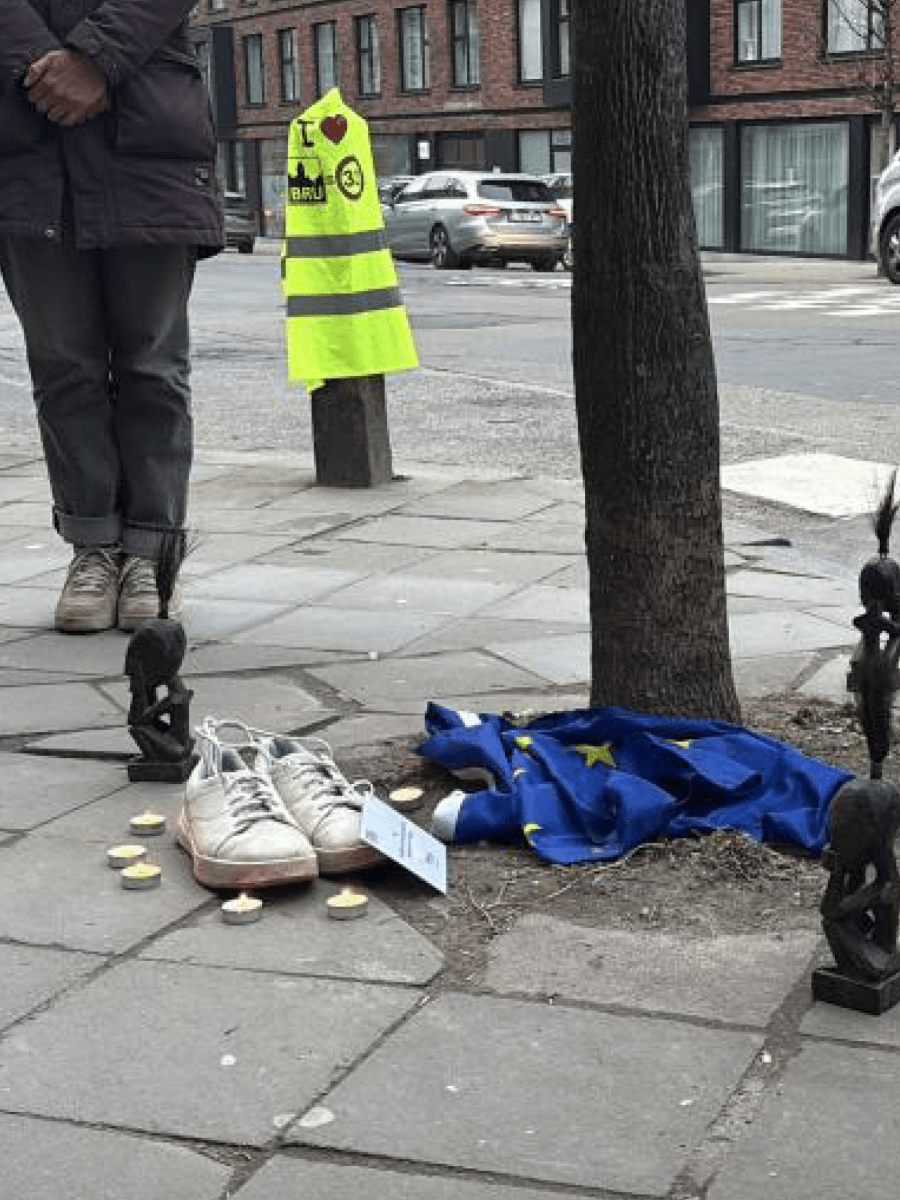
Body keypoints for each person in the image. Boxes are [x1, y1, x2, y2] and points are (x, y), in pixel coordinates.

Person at [0, 2, 223, 633]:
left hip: (144, 130)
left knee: (152, 363)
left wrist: (96, 59)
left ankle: (151, 554)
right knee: (62, 362)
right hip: (28, 139)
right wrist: (44, 69)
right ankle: (93, 547)